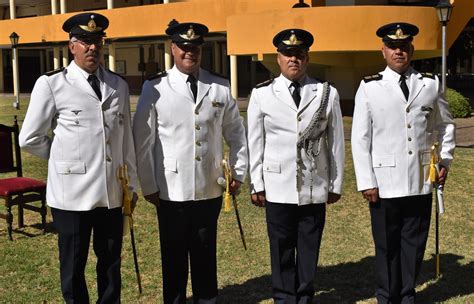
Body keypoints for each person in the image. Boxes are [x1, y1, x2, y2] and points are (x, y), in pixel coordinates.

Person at [19, 12, 138, 303]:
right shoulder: (52, 84)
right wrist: (64, 160)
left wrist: (131, 185)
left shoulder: (117, 85)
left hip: (110, 191)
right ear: (71, 45)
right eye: (85, 41)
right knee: (73, 263)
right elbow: (29, 138)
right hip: (71, 195)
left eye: (97, 41)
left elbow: (125, 139)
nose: (92, 47)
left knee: (110, 261)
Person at [132, 20, 247, 303]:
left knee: (205, 252)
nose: (189, 52)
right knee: (173, 255)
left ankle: (207, 299)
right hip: (171, 189)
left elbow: (237, 134)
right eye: (183, 47)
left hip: (209, 186)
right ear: (173, 49)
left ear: (201, 50)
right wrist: (148, 185)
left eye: (194, 47)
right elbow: (142, 140)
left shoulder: (219, 86)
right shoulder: (155, 86)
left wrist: (238, 173)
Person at [351, 22, 456, 304]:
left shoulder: (430, 84)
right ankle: (387, 296)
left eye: (404, 46)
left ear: (412, 49)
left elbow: (445, 125)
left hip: (421, 178)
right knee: (387, 245)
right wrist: (366, 181)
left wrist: (444, 159)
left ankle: (407, 293)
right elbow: (360, 138)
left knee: (414, 242)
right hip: (383, 183)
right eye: (393, 47)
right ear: (383, 50)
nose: (399, 51)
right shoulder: (370, 87)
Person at [247, 28, 345, 303]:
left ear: (307, 58)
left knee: (309, 246)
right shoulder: (262, 94)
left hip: (314, 186)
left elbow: (336, 142)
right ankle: (283, 297)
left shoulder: (327, 93)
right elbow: (256, 142)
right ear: (278, 57)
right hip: (277, 186)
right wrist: (257, 183)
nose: (294, 59)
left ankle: (304, 296)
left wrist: (335, 184)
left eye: (299, 54)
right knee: (280, 248)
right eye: (288, 54)